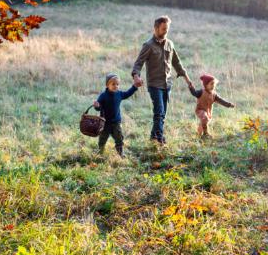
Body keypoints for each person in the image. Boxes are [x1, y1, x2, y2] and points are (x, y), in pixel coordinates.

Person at [131, 16, 193, 145]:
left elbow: (177, 63)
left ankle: (153, 137)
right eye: (163, 29)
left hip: (167, 84)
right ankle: (160, 139)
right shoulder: (148, 45)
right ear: (156, 28)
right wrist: (136, 76)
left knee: (163, 114)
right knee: (159, 111)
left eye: (167, 29)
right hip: (154, 84)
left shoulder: (170, 44)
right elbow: (138, 63)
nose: (166, 31)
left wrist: (188, 80)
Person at [93, 73, 141, 158]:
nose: (116, 86)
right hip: (105, 122)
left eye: (117, 84)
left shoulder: (119, 94)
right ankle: (100, 151)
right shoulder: (103, 96)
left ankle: (120, 152)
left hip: (116, 122)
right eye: (113, 84)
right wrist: (97, 106)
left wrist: (135, 86)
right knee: (103, 138)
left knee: (119, 138)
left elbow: (128, 93)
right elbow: (99, 107)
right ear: (107, 85)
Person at [188, 74, 235, 138]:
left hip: (208, 111)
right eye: (211, 84)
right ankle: (205, 134)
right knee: (205, 118)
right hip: (200, 110)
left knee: (204, 122)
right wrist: (191, 87)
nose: (213, 86)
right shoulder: (201, 92)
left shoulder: (214, 94)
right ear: (206, 85)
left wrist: (229, 105)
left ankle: (199, 134)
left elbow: (221, 101)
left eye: (214, 84)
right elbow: (194, 93)